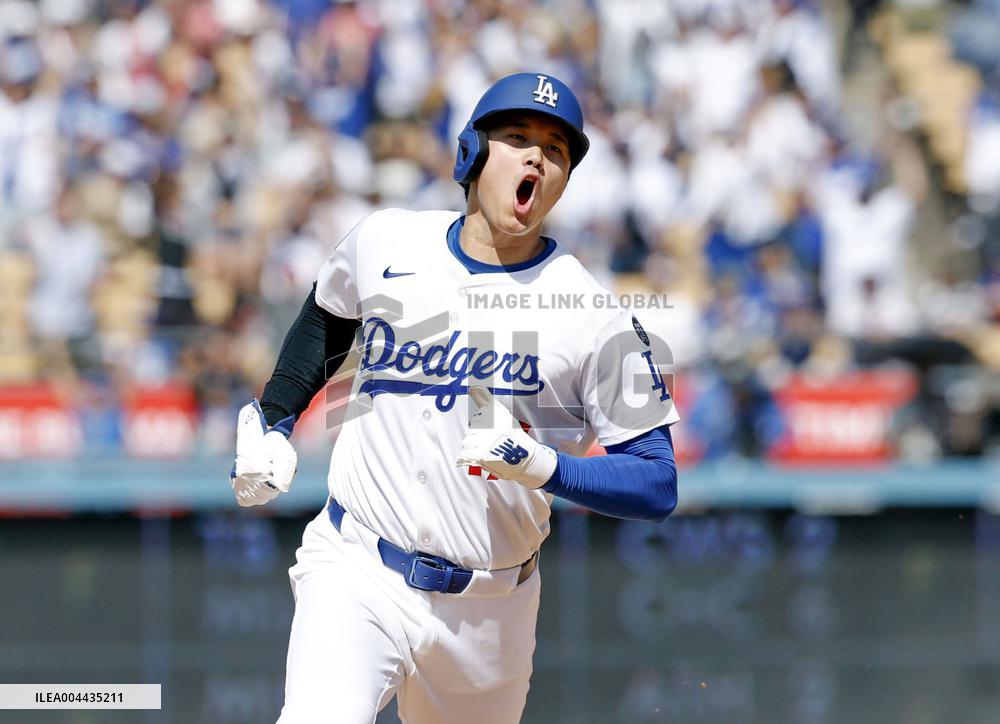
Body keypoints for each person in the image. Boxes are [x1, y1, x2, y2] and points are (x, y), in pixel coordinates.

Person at [230, 72, 680, 724]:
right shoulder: (387, 241)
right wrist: (273, 419)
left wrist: (543, 466)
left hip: (490, 610)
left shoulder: (591, 314)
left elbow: (656, 480)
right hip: (358, 566)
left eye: (555, 151)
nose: (536, 157)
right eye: (519, 137)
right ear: (471, 153)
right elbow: (327, 318)